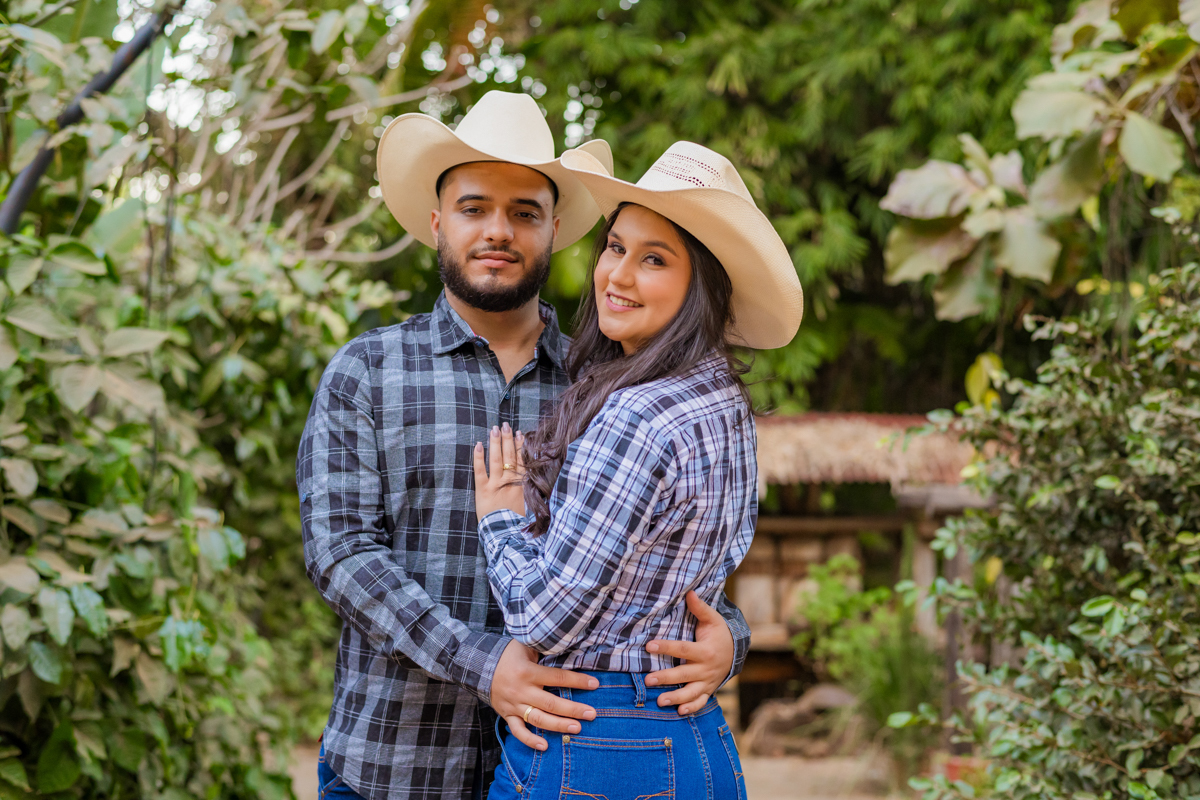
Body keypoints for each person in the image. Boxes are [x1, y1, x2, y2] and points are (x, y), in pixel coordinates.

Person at [298, 92, 752, 800]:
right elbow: (341, 552)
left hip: (562, 766)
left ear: (557, 228)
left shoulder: (606, 385)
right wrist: (484, 664)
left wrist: (726, 638)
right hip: (395, 761)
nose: (498, 231)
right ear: (437, 221)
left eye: (524, 213)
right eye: (475, 208)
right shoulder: (368, 370)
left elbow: (668, 553)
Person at [473, 141, 804, 799]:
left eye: (654, 259)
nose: (616, 276)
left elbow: (544, 619)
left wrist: (501, 517)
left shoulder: (636, 414)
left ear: (699, 285)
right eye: (616, 246)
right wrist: (730, 640)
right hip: (693, 736)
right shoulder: (721, 400)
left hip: (596, 735)